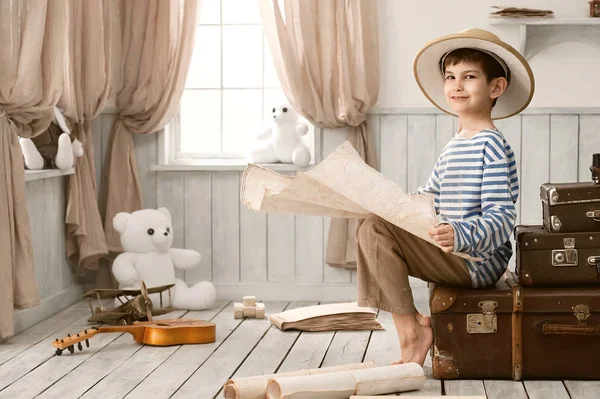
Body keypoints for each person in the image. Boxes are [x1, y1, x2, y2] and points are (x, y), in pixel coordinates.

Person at [356, 28, 535, 366]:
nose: (456, 84)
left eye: (469, 77)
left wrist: (460, 233)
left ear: (496, 87)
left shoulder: (491, 146)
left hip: (477, 261)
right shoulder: (455, 145)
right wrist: (389, 205)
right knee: (371, 224)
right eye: (451, 77)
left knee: (374, 229)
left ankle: (412, 332)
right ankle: (411, 328)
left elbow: (501, 217)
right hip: (451, 250)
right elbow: (429, 197)